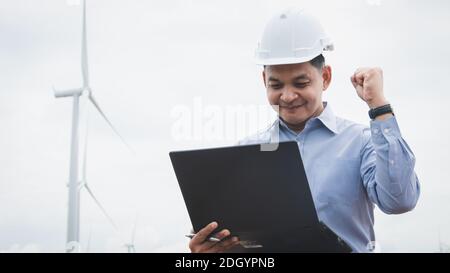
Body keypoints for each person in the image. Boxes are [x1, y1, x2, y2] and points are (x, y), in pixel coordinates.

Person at [188, 8, 420, 253]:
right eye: (275, 85)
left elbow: (399, 200)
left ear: (326, 77)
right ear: (263, 81)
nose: (287, 96)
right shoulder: (245, 152)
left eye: (301, 83)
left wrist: (379, 106)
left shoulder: (360, 142)